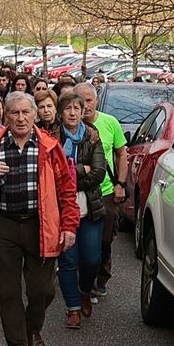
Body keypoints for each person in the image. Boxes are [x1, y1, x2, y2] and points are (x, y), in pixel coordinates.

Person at [0, 92, 78, 346]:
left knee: (42, 290)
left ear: (35, 115)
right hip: (3, 223)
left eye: (25, 112)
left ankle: (33, 329)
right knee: (6, 289)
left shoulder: (50, 146)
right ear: (5, 117)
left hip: (40, 224)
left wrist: (69, 225)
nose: (20, 118)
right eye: (14, 113)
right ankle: (17, 344)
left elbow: (67, 189)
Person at [51, 93, 106, 329]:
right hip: (62, 210)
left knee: (92, 258)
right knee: (68, 262)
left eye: (77, 108)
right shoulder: (51, 137)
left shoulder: (92, 136)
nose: (72, 112)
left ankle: (85, 290)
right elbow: (50, 173)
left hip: (89, 208)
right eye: (68, 108)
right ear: (60, 112)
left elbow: (98, 172)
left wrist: (69, 176)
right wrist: (76, 170)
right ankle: (73, 308)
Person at [73, 83, 128, 301]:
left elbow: (121, 154)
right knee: (79, 241)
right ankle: (82, 280)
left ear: (96, 101)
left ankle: (101, 279)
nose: (85, 106)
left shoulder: (110, 122)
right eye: (81, 101)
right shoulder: (69, 124)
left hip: (104, 191)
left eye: (89, 100)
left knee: (104, 240)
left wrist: (120, 183)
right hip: (76, 191)